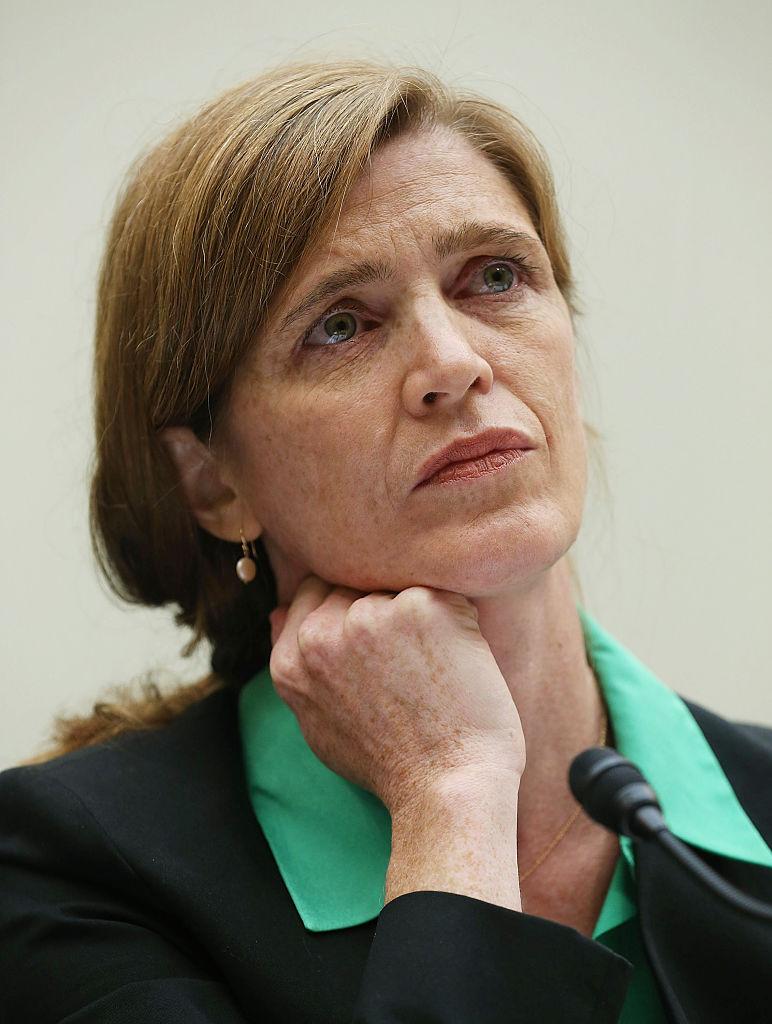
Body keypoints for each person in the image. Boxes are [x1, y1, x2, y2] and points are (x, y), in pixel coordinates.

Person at [0, 57, 770, 1024]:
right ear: (213, 480)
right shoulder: (67, 874)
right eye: (340, 326)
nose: (453, 364)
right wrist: (448, 796)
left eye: (495, 277)